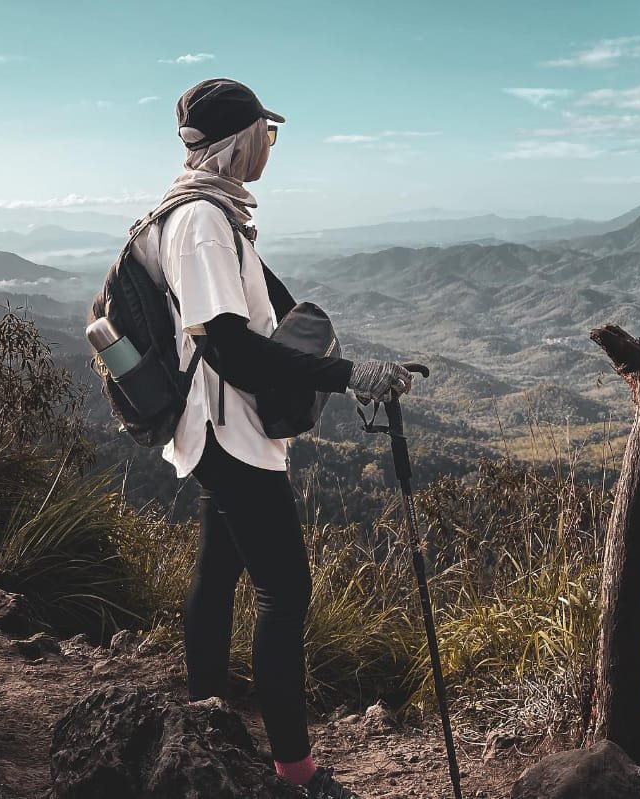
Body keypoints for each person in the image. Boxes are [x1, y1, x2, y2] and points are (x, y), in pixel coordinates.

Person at [132, 78, 412, 799]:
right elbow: (228, 347)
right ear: (239, 140)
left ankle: (206, 726)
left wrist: (349, 358)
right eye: (268, 134)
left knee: (219, 571)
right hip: (229, 431)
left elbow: (266, 320)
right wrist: (348, 373)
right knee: (285, 592)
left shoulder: (217, 214)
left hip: (224, 429)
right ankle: (297, 773)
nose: (270, 147)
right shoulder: (200, 222)